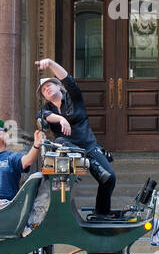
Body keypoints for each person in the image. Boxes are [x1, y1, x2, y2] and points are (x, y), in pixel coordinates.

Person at [35, 58, 118, 217]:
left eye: (49, 85)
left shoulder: (74, 98)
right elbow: (40, 116)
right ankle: (89, 162)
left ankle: (102, 213)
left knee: (109, 178)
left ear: (59, 87)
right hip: (67, 148)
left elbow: (68, 80)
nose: (46, 89)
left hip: (89, 147)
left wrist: (52, 63)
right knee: (59, 142)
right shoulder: (47, 109)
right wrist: (60, 119)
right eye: (44, 90)